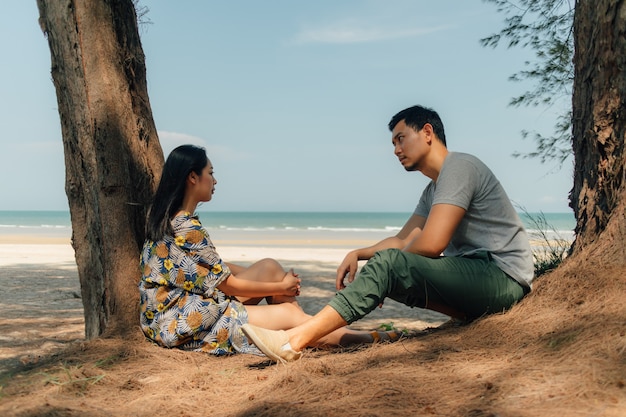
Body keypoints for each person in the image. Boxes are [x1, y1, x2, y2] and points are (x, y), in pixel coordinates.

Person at [242, 104, 535, 363]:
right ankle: (301, 335)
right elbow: (402, 240)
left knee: (390, 265)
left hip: (501, 277)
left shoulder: (460, 168)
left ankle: (293, 341)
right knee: (388, 265)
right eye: (393, 142)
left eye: (401, 139)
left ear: (428, 132)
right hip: (479, 279)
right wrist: (360, 254)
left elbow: (432, 244)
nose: (396, 149)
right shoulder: (433, 189)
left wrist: (385, 271)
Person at [138, 144, 400, 356]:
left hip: (174, 316)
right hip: (183, 325)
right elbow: (229, 286)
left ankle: (299, 332)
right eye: (211, 172)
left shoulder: (170, 220)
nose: (215, 180)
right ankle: (364, 339)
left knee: (270, 267)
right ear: (193, 177)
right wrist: (281, 289)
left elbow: (215, 270)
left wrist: (278, 282)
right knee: (289, 312)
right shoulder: (186, 228)